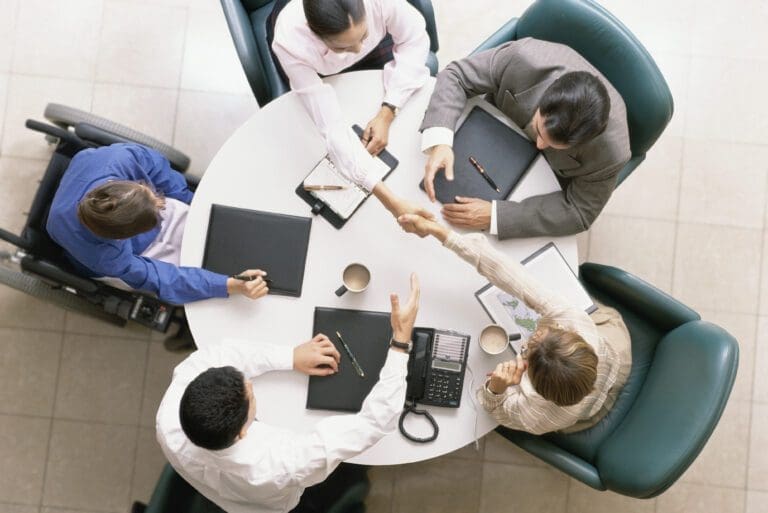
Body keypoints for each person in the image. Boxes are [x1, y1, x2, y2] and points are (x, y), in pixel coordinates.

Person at [156, 274, 420, 513]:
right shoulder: (282, 463)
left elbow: (223, 355)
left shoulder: (169, 417)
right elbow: (374, 422)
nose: (250, 384)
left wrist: (291, 356)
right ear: (242, 432)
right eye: (250, 394)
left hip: (217, 487)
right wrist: (400, 343)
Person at [397, 213, 631, 434]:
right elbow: (512, 275)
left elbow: (493, 408)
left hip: (585, 412)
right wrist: (442, 233)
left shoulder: (536, 414)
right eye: (550, 331)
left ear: (534, 382)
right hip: (615, 351)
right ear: (571, 335)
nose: (528, 342)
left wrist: (496, 388)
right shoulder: (575, 324)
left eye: (527, 352)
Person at [420, 38, 631, 239]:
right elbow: (456, 75)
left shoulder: (613, 153)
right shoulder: (522, 58)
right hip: (488, 135)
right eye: (539, 131)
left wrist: (496, 217)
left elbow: (580, 211)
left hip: (539, 184)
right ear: (544, 97)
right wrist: (440, 138)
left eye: (553, 145)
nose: (540, 144)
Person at [47, 143, 268, 305]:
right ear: (123, 238)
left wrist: (202, 209)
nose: (162, 203)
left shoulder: (124, 158)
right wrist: (227, 285)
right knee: (199, 291)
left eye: (152, 195)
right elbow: (161, 278)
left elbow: (163, 175)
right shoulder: (106, 256)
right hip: (139, 253)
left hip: (108, 209)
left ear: (128, 184)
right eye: (158, 208)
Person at [270, 0, 430, 192]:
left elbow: (414, 38)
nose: (357, 50)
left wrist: (388, 111)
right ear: (313, 31)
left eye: (364, 36)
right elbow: (329, 123)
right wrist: (369, 180)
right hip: (314, 66)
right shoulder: (290, 41)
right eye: (342, 48)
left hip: (375, 44)